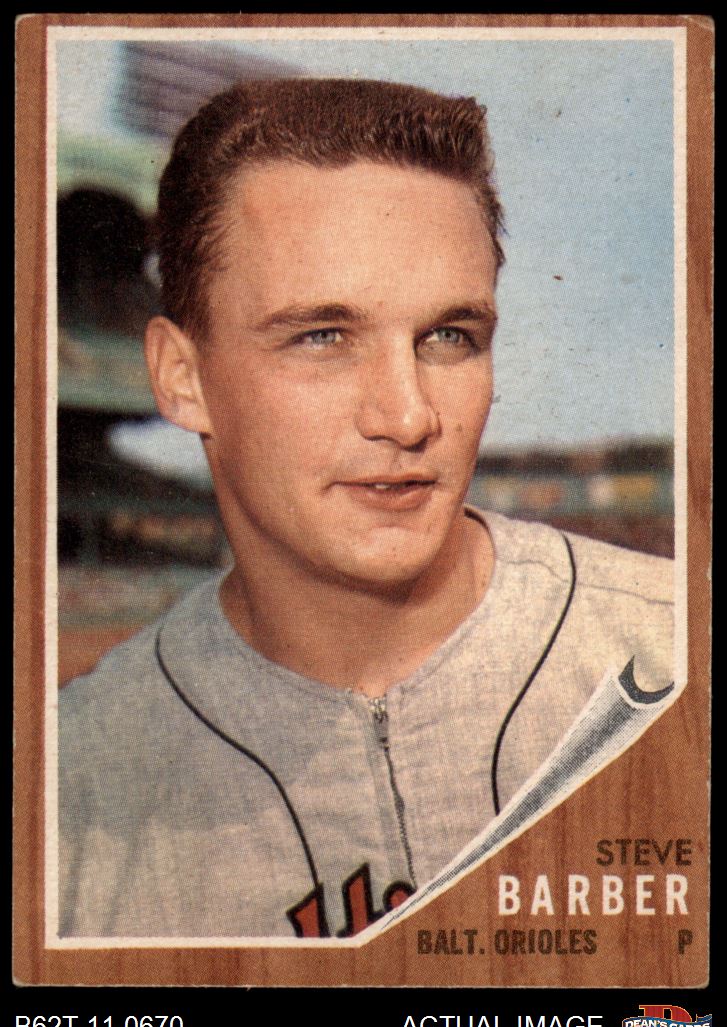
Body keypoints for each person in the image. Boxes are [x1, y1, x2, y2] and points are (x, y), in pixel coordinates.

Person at [58, 78, 673, 939]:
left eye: (449, 338)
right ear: (181, 378)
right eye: (322, 337)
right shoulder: (71, 787)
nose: (408, 416)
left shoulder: (675, 650)